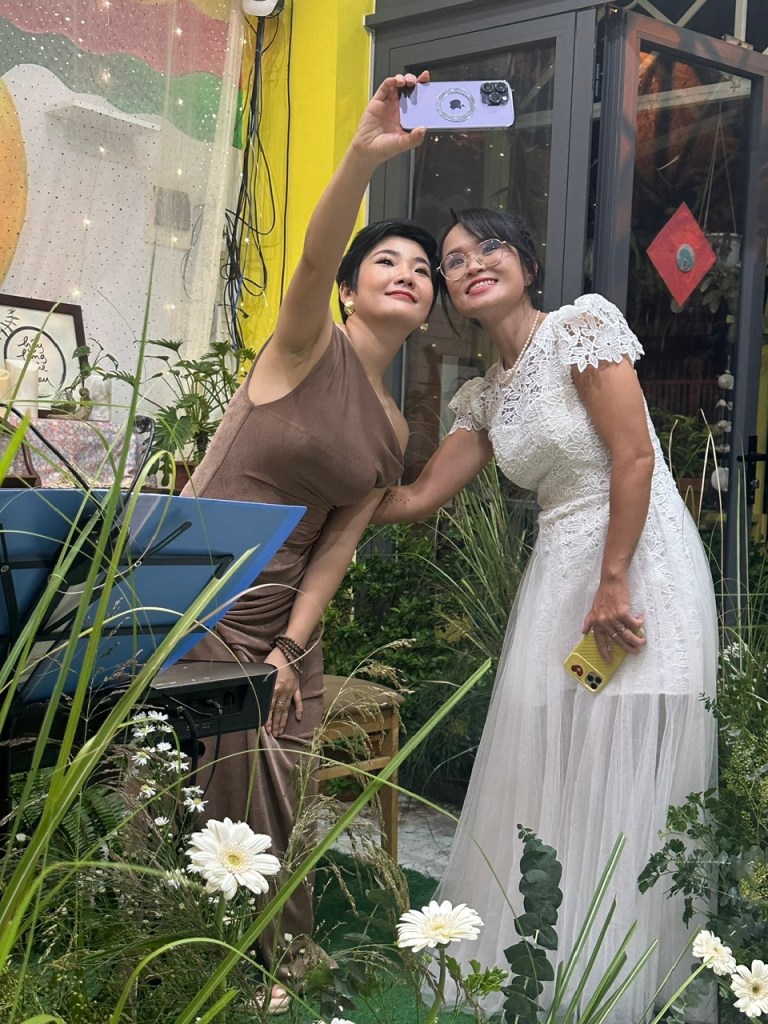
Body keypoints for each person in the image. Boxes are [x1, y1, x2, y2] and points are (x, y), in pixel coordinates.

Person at [374, 207, 717, 1020]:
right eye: (454, 260)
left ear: (527, 265)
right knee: (552, 758)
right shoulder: (486, 398)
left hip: (637, 563)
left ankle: (622, 982)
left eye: (489, 248)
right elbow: (415, 499)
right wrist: (321, 497)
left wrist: (614, 580)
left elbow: (634, 456)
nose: (471, 264)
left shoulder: (580, 329)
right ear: (449, 292)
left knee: (625, 756)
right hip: (559, 575)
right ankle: (551, 965)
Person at [180, 72, 438, 1011]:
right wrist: (366, 153)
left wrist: (292, 645)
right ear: (348, 290)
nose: (408, 273)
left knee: (276, 789)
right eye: (387, 262)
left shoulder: (394, 430)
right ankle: (194, 948)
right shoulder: (302, 345)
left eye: (423, 271)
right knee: (202, 780)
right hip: (198, 588)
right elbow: (313, 252)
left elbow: (336, 546)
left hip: (287, 616)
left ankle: (269, 956)